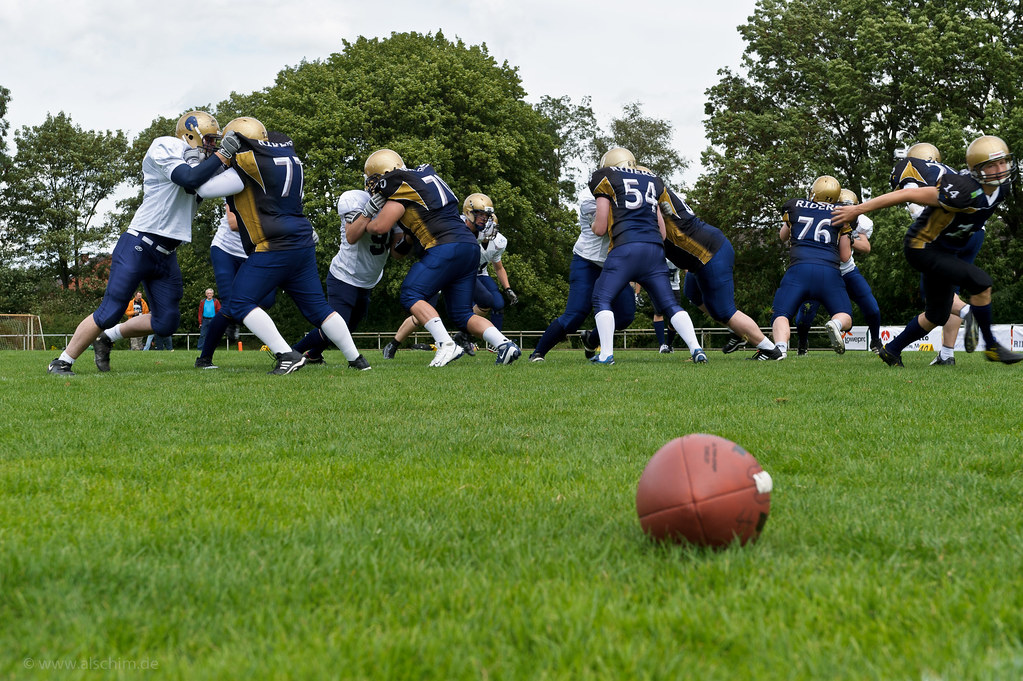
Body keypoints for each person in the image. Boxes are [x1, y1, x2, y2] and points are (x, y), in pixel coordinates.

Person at [48, 111, 239, 376]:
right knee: (110, 311)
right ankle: (62, 361)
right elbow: (188, 179)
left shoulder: (202, 162)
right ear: (189, 135)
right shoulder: (166, 145)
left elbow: (222, 180)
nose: (212, 146)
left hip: (167, 254)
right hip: (139, 243)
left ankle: (107, 339)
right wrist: (221, 158)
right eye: (208, 140)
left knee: (166, 323)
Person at [833, 135, 1023, 367]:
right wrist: (857, 210)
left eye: (1003, 162)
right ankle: (992, 347)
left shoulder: (1002, 187)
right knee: (981, 282)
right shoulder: (962, 190)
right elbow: (907, 194)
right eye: (992, 165)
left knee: (937, 314)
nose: (1000, 169)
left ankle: (891, 350)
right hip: (923, 247)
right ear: (976, 169)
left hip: (946, 249)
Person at [214, 119, 369, 374]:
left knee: (239, 302)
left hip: (275, 245)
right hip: (302, 242)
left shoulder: (250, 167)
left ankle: (287, 354)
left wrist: (212, 160)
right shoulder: (286, 160)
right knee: (319, 308)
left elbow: (200, 186)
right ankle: (357, 359)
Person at [353, 149, 521, 366]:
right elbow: (404, 243)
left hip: (445, 246)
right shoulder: (425, 179)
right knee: (461, 314)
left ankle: (445, 344)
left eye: (374, 179)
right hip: (468, 247)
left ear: (385, 173)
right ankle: (504, 344)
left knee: (411, 293)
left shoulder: (401, 188)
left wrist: (366, 215)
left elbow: (379, 226)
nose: (373, 185)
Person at [587, 148, 705, 365]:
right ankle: (697, 349)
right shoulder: (652, 179)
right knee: (670, 304)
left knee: (601, 298)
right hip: (653, 251)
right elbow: (662, 232)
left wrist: (593, 224)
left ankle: (606, 355)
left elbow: (600, 228)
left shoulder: (607, 178)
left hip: (625, 249)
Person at [657, 174, 783, 361]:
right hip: (701, 257)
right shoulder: (658, 197)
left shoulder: (653, 199)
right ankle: (737, 331)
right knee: (692, 293)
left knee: (724, 311)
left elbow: (661, 234)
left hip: (710, 253)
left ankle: (770, 350)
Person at [889, 142, 981, 365]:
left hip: (942, 234)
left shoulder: (912, 167)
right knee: (950, 293)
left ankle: (969, 312)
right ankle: (947, 355)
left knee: (935, 299)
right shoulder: (951, 171)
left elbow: (911, 197)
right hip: (975, 233)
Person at [292, 189, 408, 362]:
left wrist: (410, 238)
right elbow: (352, 235)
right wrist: (369, 211)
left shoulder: (395, 207)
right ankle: (292, 352)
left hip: (367, 280)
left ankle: (314, 354)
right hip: (344, 276)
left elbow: (397, 254)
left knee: (348, 327)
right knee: (335, 327)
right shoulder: (355, 199)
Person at [528, 188, 637, 362]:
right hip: (587, 262)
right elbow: (604, 228)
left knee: (625, 315)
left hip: (612, 265)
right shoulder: (590, 199)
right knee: (574, 316)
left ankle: (591, 340)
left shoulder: (630, 195)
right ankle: (538, 353)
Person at [769, 175, 854, 358]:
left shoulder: (796, 206)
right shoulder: (842, 212)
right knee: (844, 314)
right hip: (829, 272)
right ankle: (836, 325)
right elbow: (845, 256)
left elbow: (783, 236)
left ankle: (781, 349)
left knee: (781, 313)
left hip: (799, 269)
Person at [793, 189, 881, 356]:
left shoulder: (860, 222)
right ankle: (802, 344)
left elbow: (866, 247)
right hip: (824, 271)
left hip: (847, 271)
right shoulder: (820, 215)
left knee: (872, 307)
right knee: (805, 314)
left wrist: (847, 236)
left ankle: (876, 341)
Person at [455, 193, 518, 353]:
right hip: (461, 272)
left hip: (480, 273)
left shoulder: (499, 242)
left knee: (497, 303)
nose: (490, 230)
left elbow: (498, 267)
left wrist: (508, 288)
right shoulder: (467, 232)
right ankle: (459, 338)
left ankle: (494, 341)